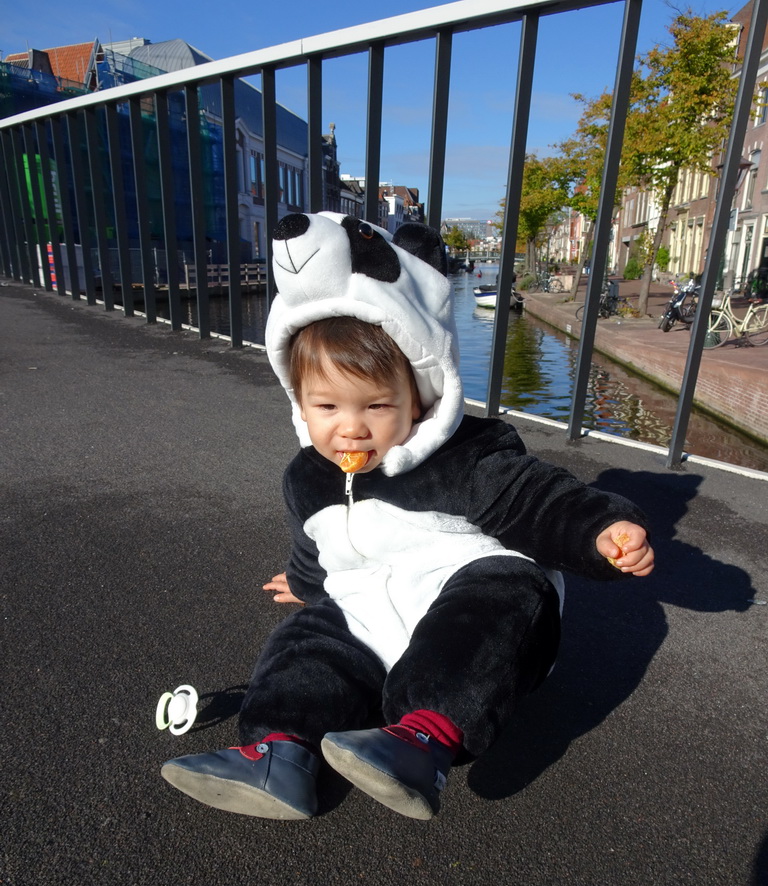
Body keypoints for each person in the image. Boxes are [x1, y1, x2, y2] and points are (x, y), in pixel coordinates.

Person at [161, 212, 654, 822]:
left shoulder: (465, 457)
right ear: (300, 403)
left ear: (418, 395)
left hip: (461, 599)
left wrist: (600, 531)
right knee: (308, 640)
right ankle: (279, 751)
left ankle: (425, 738)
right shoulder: (306, 476)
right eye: (326, 406)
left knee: (500, 594)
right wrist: (306, 583)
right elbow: (314, 545)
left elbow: (537, 499)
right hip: (371, 609)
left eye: (375, 405)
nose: (351, 426)